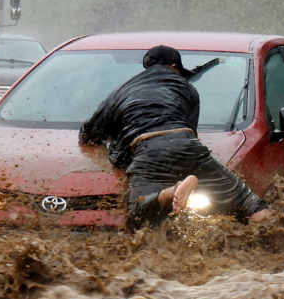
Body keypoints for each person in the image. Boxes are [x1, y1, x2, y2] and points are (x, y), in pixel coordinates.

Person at [79, 45, 271, 229]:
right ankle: (273, 237)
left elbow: (88, 134)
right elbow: (189, 131)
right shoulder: (188, 89)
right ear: (174, 67)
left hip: (148, 149)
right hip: (187, 143)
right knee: (248, 202)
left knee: (136, 216)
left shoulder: (122, 92)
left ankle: (171, 192)